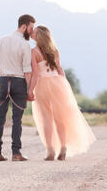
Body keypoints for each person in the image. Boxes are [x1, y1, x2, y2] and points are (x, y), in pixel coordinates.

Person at [29, 25, 96, 160]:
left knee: (45, 119)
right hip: (57, 83)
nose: (31, 33)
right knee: (60, 117)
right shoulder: (55, 51)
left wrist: (30, 90)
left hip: (42, 84)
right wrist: (66, 87)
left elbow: (35, 74)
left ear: (39, 36)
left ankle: (50, 151)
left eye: (34, 32)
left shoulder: (34, 52)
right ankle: (63, 147)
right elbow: (60, 69)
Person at [0, 14, 36, 161]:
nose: (31, 31)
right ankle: (16, 153)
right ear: (24, 27)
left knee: (0, 117)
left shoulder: (2, 40)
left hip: (3, 80)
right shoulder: (25, 45)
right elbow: (27, 71)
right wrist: (30, 90)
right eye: (31, 28)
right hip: (19, 82)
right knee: (17, 119)